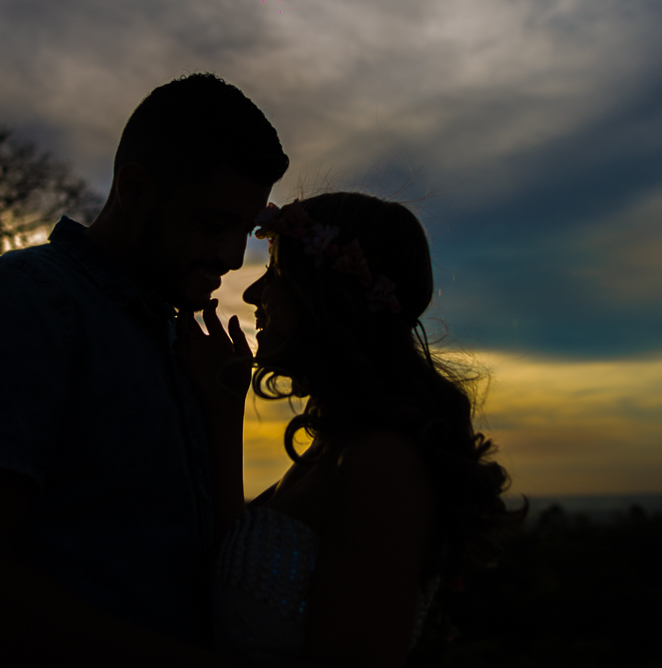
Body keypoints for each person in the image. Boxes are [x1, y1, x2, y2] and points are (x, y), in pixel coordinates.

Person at [0, 73, 288, 665]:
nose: (231, 258)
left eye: (244, 229)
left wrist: (220, 416)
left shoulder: (175, 338)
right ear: (134, 189)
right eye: (213, 225)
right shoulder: (30, 306)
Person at [175, 193, 524, 666]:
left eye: (275, 273)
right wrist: (222, 414)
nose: (254, 294)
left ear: (325, 293)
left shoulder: (383, 465)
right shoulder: (335, 448)